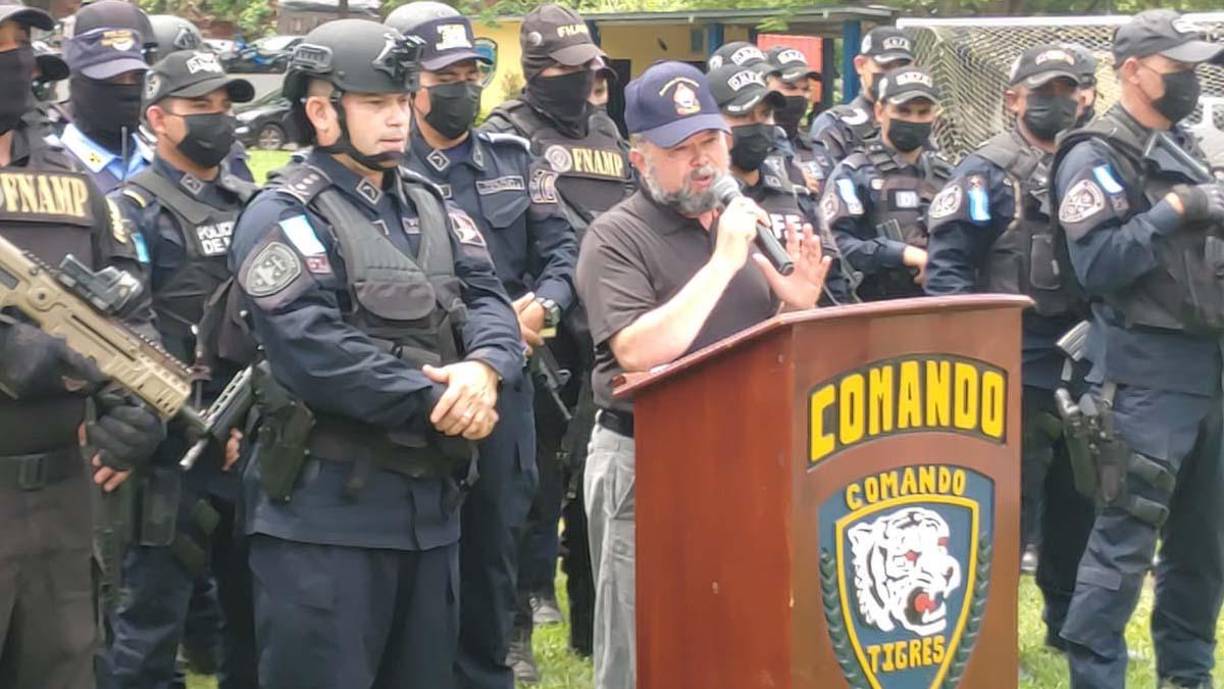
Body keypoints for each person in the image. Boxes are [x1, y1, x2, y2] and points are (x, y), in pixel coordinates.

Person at [228, 19, 523, 689]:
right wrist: (445, 400)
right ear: (320, 112)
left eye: (401, 101)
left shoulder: (431, 203)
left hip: (430, 512)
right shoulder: (285, 215)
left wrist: (485, 369)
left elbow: (489, 300)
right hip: (327, 521)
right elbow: (314, 350)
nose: (397, 118)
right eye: (375, 103)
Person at [576, 60, 831, 689]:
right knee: (645, 643)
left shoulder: (744, 228)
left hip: (743, 458)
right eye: (680, 149)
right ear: (639, 159)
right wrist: (722, 262)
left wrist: (795, 309)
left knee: (734, 634)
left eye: (711, 142)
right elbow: (639, 351)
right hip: (648, 460)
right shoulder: (616, 237)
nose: (703, 162)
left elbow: (757, 348)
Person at [388, 4, 579, 688]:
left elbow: (563, 252)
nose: (464, 87)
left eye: (473, 73)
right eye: (447, 76)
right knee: (415, 550)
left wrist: (544, 305)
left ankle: (489, 661)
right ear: (409, 82)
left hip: (508, 382)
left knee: (497, 536)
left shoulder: (514, 157)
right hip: (424, 384)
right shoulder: (386, 168)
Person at [1050, 11, 1224, 689]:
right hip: (1143, 376)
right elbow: (1097, 266)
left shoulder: (1185, 148)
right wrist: (1173, 212)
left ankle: (1187, 675)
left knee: (1202, 544)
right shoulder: (1096, 154)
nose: (1190, 81)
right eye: (1177, 69)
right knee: (1124, 545)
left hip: (1208, 371)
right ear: (1131, 71)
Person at [0, 2, 164, 687]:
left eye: (17, 46)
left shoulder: (73, 182)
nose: (13, 61)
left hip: (60, 508)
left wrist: (138, 415)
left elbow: (130, 310)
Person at [923, 44, 1095, 649]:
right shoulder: (987, 172)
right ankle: (987, 641)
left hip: (1083, 366)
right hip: (1009, 368)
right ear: (1014, 99)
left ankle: (1066, 630)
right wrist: (968, 356)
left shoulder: (1091, 164)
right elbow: (947, 270)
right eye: (1044, 91)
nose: (1058, 101)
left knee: (1079, 505)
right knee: (1003, 511)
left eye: (1067, 90)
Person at [481, 2, 633, 671]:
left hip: (603, 327)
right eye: (569, 69)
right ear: (536, 69)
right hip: (540, 333)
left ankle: (589, 625)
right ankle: (517, 623)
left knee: (596, 480)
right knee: (530, 487)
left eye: (589, 68)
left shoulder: (606, 131)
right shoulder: (505, 136)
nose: (582, 81)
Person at [101, 49, 259, 689]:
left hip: (252, 434)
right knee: (149, 625)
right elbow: (122, 332)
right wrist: (180, 421)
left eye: (223, 107)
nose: (217, 119)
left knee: (253, 620)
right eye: (199, 107)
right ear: (158, 119)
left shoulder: (252, 203)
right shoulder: (131, 209)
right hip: (170, 445)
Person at [706, 62, 856, 305]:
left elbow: (830, 276)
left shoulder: (792, 185)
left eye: (765, 114)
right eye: (743, 116)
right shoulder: (698, 202)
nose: (757, 125)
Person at [820, 66, 950, 301]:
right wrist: (901, 254)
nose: (913, 120)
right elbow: (835, 244)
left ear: (935, 115)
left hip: (940, 302)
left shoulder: (946, 174)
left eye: (923, 113)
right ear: (880, 112)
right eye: (903, 111)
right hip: (873, 307)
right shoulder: (854, 173)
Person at [58, 0, 155, 193]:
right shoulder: (50, 170)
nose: (127, 88)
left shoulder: (162, 162)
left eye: (136, 77)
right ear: (78, 82)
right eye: (113, 79)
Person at [809, 26, 913, 161]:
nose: (894, 75)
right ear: (861, 65)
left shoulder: (919, 120)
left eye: (902, 68)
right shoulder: (837, 125)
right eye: (885, 66)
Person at [762, 45, 835, 196]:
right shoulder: (751, 151)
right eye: (790, 88)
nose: (800, 96)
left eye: (806, 89)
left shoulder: (816, 147)